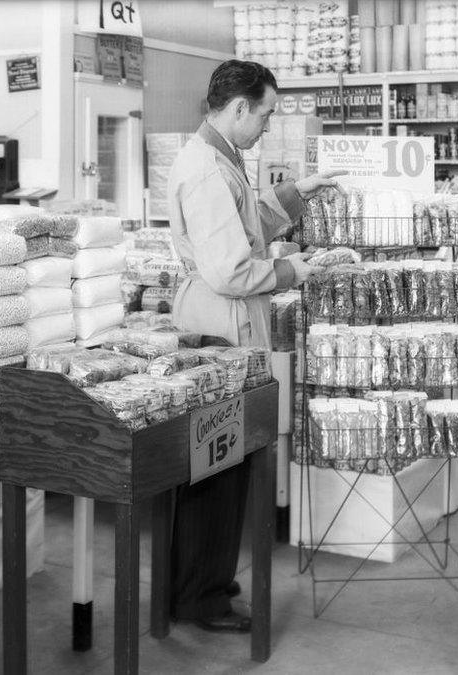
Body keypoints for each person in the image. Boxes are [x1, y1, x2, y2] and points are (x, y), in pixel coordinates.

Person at [166, 59, 343, 632]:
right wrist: (296, 269)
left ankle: (202, 582)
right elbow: (232, 270)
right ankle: (200, 597)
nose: (267, 125)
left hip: (224, 322)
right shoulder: (210, 171)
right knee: (216, 464)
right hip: (226, 326)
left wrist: (297, 194)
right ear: (238, 107)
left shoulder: (220, 159)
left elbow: (244, 226)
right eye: (264, 113)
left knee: (217, 463)